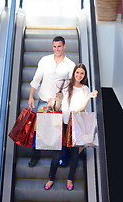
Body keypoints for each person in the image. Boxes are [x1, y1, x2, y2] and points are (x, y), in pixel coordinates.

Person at [44, 63, 98, 191]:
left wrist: (89, 97)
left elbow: (80, 109)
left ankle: (70, 179)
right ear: (74, 72)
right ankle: (51, 178)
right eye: (77, 72)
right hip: (61, 123)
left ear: (84, 76)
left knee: (74, 154)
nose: (79, 75)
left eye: (82, 73)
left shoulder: (85, 89)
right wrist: (51, 101)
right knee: (56, 154)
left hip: (75, 124)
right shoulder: (66, 85)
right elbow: (58, 103)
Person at [28, 36, 75, 167]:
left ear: (64, 46)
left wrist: (55, 100)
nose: (56, 49)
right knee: (38, 130)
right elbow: (36, 79)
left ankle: (60, 158)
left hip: (58, 103)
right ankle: (35, 155)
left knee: (58, 130)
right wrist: (31, 96)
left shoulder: (70, 65)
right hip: (43, 101)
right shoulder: (45, 60)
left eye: (59, 46)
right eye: (54, 46)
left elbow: (69, 87)